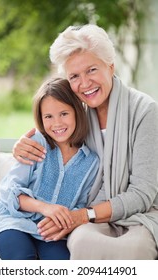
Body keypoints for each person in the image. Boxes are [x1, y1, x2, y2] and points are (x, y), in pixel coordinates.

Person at [13, 24, 158, 260]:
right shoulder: (75, 113)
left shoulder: (144, 110)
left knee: (134, 249)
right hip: (91, 213)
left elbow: (142, 193)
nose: (85, 83)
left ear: (110, 67)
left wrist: (80, 216)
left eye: (92, 70)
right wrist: (22, 143)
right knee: (80, 240)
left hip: (140, 214)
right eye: (74, 76)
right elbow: (50, 130)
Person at [0, 77, 99, 260]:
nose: (57, 123)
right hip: (11, 222)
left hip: (50, 232)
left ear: (77, 111)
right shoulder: (36, 143)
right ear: (40, 118)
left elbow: (81, 203)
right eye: (48, 116)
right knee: (23, 258)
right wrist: (45, 208)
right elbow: (10, 191)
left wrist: (64, 220)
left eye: (64, 113)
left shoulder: (91, 162)